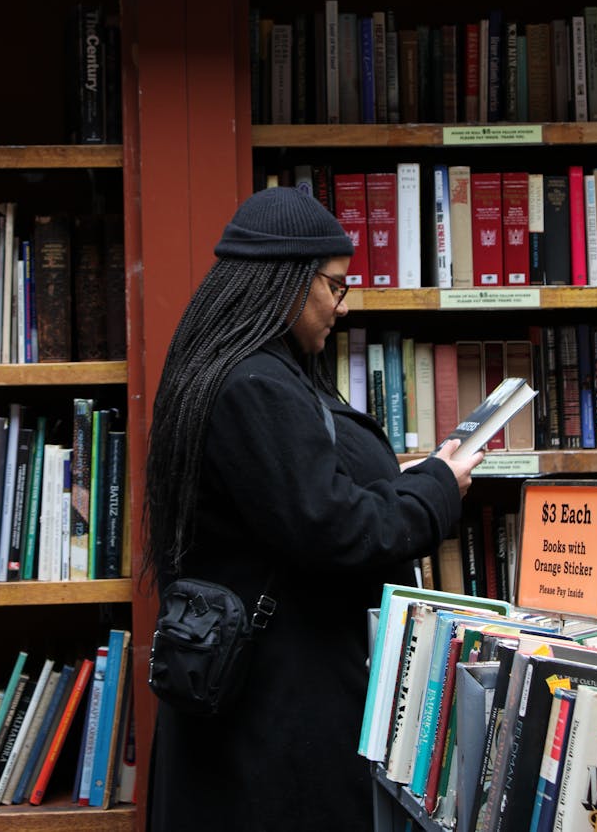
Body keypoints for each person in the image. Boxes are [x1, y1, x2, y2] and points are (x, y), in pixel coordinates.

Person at [143, 185, 484, 832]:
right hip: (276, 721)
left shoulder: (251, 370)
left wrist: (400, 479)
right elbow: (335, 530)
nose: (341, 306)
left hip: (262, 705)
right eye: (335, 286)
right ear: (287, 282)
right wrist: (439, 486)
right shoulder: (254, 385)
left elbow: (305, 500)